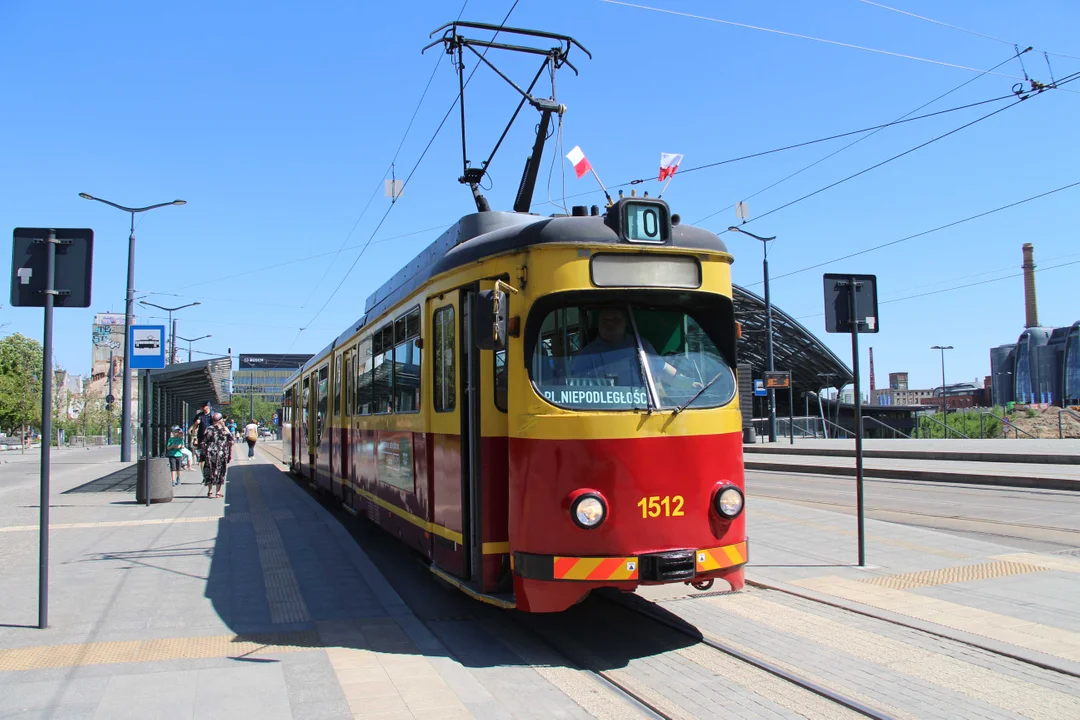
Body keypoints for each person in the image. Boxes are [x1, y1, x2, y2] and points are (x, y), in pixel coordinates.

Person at [571, 307, 682, 386]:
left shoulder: (640, 347)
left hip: (641, 410)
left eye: (616, 320)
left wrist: (690, 385)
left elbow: (665, 372)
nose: (610, 325)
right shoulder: (586, 355)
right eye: (605, 321)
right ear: (599, 324)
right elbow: (575, 387)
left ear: (625, 322)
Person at [201, 413, 232, 498]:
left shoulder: (209, 429)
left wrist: (204, 452)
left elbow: (203, 442)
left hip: (210, 453)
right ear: (221, 420)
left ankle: (210, 492)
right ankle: (217, 492)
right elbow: (231, 441)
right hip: (221, 453)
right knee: (220, 471)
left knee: (209, 471)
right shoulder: (224, 429)